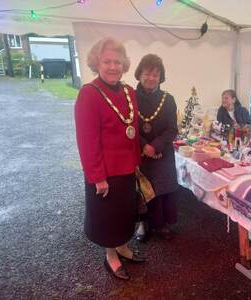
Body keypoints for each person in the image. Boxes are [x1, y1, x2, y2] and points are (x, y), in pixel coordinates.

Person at [74, 37, 145, 281]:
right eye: (107, 61)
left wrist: (136, 162)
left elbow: (132, 130)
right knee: (108, 219)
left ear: (124, 64)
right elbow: (86, 140)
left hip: (127, 168)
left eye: (117, 61)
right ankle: (111, 256)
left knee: (126, 214)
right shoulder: (88, 94)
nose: (113, 66)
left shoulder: (129, 92)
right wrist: (97, 177)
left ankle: (124, 247)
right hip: (105, 173)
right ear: (97, 63)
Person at [134, 54, 178, 242]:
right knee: (143, 191)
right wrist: (145, 146)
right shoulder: (130, 98)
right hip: (140, 153)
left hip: (163, 153)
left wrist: (156, 146)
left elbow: (172, 129)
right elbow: (130, 127)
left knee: (162, 189)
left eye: (155, 75)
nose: (151, 78)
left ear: (161, 77)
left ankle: (162, 224)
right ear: (139, 74)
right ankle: (143, 223)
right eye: (147, 74)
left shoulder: (168, 99)